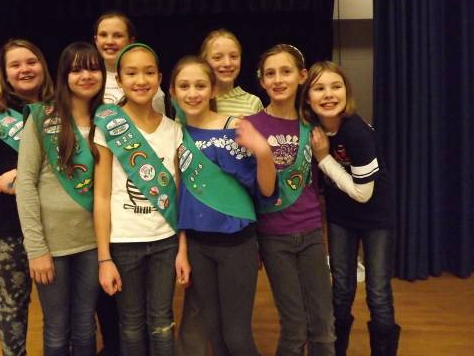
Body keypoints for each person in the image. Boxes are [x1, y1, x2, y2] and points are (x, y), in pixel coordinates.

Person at [170, 55, 277, 356]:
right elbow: (181, 196)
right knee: (215, 334)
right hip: (197, 245)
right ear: (172, 92)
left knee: (237, 336)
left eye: (200, 85)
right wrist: (181, 250)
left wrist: (264, 153)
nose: (193, 93)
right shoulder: (176, 135)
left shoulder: (237, 128)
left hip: (236, 244)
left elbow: (266, 190)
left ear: (214, 90)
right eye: (184, 86)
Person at [92, 43, 190, 356]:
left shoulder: (174, 130)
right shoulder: (108, 128)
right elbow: (102, 194)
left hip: (165, 242)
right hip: (122, 243)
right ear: (119, 80)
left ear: (160, 77)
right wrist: (104, 258)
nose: (141, 80)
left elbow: (179, 194)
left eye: (149, 72)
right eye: (131, 73)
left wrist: (182, 247)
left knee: (162, 321)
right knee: (130, 325)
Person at [301, 61, 400, 356]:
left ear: (347, 92)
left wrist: (323, 159)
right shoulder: (313, 129)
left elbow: (362, 193)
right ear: (308, 97)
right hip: (341, 217)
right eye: (319, 88)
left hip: (375, 217)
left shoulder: (357, 132)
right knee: (342, 289)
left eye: (336, 86)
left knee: (378, 292)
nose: (329, 94)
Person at [15, 42, 105, 355]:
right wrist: (36, 249)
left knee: (84, 325)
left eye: (94, 68)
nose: (86, 75)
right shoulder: (41, 118)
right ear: (64, 75)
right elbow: (24, 183)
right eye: (77, 69)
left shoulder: (109, 121)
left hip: (94, 243)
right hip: (52, 246)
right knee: (56, 327)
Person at [247, 44, 336, 356]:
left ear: (301, 76)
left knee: (324, 325)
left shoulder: (313, 125)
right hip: (273, 237)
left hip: (311, 233)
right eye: (270, 73)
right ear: (261, 81)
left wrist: (324, 154)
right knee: (294, 325)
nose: (278, 79)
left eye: (286, 71)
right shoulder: (249, 125)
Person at [0, 39, 53, 356]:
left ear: (42, 66)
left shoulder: (62, 110)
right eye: (15, 65)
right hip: (8, 227)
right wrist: (33, 175)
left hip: (56, 225)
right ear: (4, 73)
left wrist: (18, 175)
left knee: (58, 306)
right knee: (13, 303)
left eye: (31, 61)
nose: (25, 69)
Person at [94, 11, 166, 114]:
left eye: (118, 36)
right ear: (96, 40)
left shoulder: (148, 85)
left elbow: (160, 126)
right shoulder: (88, 80)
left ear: (131, 41)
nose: (109, 41)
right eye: (103, 35)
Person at [199, 28, 263, 116]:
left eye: (233, 56)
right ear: (204, 61)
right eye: (217, 57)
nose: (227, 63)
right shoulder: (194, 100)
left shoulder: (252, 103)